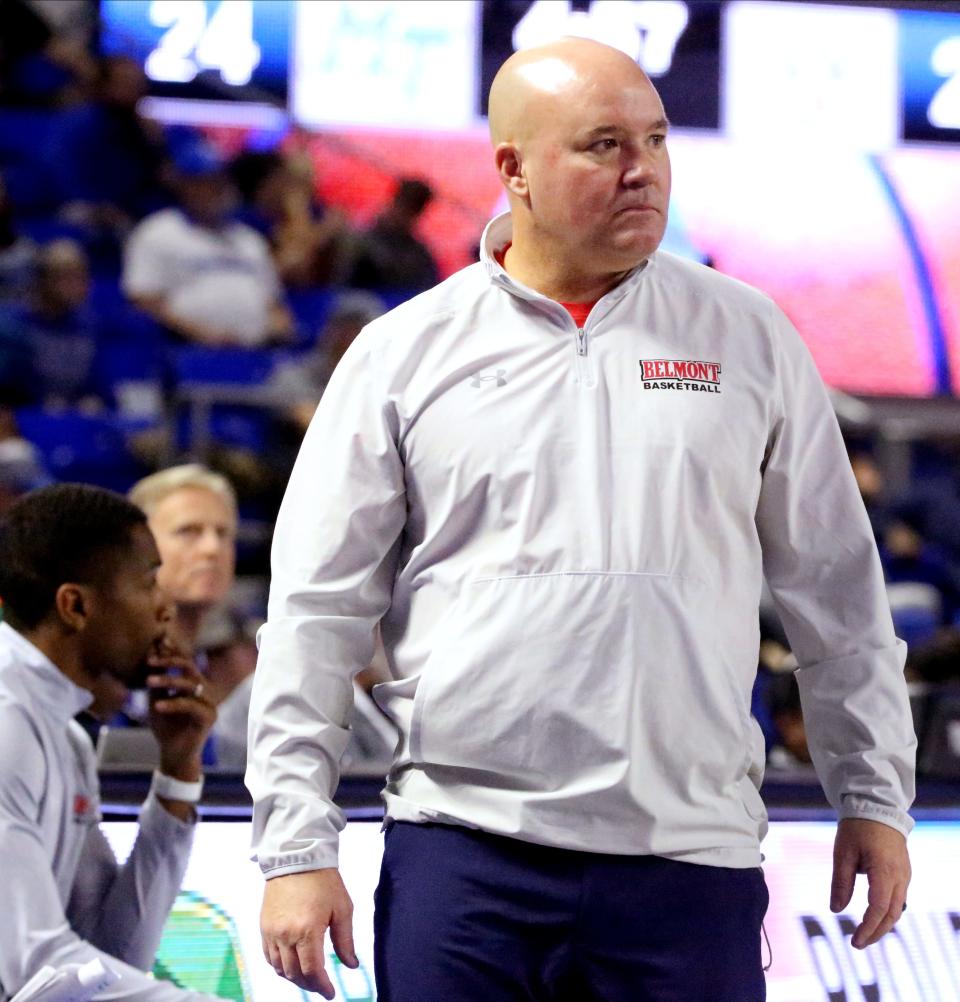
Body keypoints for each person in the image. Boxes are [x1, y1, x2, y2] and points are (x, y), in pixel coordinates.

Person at [248, 39, 916, 1001]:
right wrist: (292, 848)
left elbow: (839, 596)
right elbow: (315, 616)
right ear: (512, 168)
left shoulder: (750, 334)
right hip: (466, 853)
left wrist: (873, 795)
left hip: (689, 855)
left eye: (654, 138)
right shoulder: (403, 353)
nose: (642, 169)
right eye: (603, 144)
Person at [0, 483, 219, 1000]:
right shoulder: (7, 721)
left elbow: (112, 954)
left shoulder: (64, 734)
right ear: (74, 605)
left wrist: (178, 773)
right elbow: (38, 971)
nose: (165, 609)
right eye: (148, 583)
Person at [123, 141, 293, 348]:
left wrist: (280, 326)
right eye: (204, 183)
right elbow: (145, 300)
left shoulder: (248, 239)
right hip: (185, 351)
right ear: (184, 185)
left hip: (257, 353)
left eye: (218, 182)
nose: (214, 190)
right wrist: (200, 333)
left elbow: (272, 302)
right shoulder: (157, 231)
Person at [347, 177, 439, 294]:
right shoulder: (360, 240)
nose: (405, 215)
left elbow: (428, 292)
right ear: (394, 201)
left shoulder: (421, 255)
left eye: (413, 210)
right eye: (403, 205)